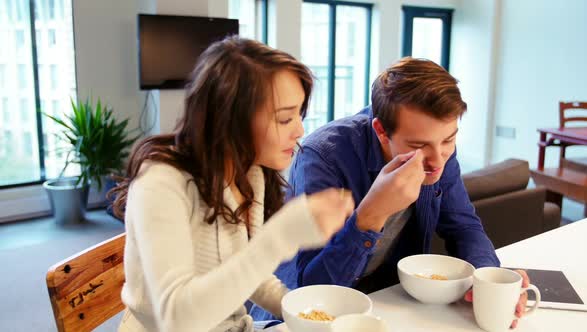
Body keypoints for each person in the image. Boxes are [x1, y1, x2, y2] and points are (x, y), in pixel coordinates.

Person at [252, 57, 529, 329]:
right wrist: (372, 214)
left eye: (449, 139)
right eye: (419, 145)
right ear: (382, 132)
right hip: (293, 313)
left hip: (386, 300)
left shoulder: (439, 151)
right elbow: (316, 289)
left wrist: (489, 283)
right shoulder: (324, 156)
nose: (437, 160)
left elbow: (464, 226)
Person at [110, 36, 354, 332]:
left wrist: (297, 311)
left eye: (298, 115)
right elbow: (176, 319)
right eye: (285, 118)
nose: (300, 130)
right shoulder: (160, 182)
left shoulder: (249, 173)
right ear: (232, 118)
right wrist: (280, 237)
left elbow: (246, 271)